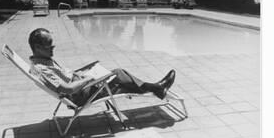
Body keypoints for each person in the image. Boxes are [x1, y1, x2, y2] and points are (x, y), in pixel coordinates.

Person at [28, 28, 176, 106]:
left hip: (81, 85)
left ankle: (152, 88)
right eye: (49, 44)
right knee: (119, 74)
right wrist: (89, 78)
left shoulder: (43, 60)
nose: (53, 46)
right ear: (37, 47)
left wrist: (82, 72)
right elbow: (67, 89)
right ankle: (157, 88)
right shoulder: (42, 68)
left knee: (121, 80)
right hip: (81, 95)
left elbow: (65, 79)